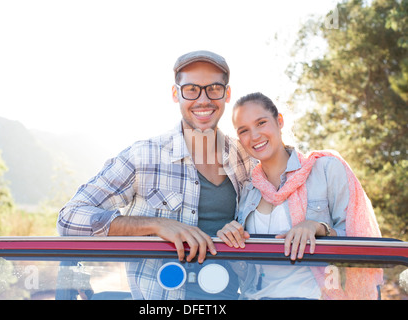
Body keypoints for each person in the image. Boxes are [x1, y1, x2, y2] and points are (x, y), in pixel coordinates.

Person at [57, 50, 253, 299]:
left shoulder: (245, 158)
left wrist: (317, 224)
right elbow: (69, 218)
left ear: (227, 94)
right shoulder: (143, 156)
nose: (203, 100)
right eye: (191, 89)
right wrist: (156, 225)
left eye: (214, 88)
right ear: (175, 94)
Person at [217, 92, 383, 299]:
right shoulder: (248, 192)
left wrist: (318, 227)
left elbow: (359, 238)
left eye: (261, 123)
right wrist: (231, 242)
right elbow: (247, 270)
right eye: (244, 131)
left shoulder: (325, 169)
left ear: (279, 121)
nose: (254, 136)